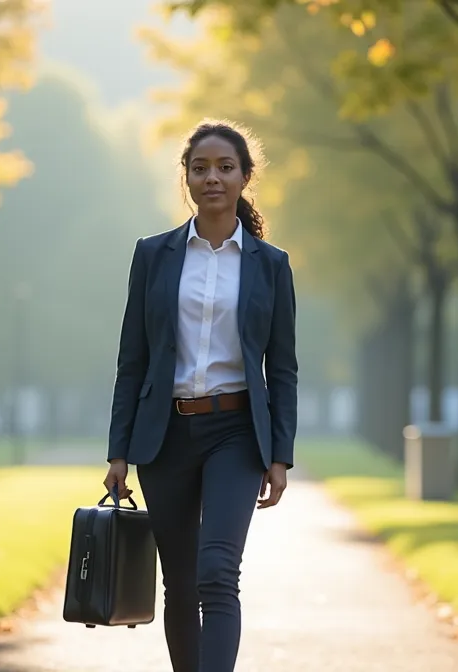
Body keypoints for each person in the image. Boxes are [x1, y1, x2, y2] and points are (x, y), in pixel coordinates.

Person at [103, 119, 299, 672]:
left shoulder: (272, 265)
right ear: (186, 178)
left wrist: (279, 456)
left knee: (217, 571)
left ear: (244, 177)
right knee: (181, 582)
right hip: (164, 436)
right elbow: (132, 360)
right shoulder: (153, 256)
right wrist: (118, 451)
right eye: (200, 168)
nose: (212, 177)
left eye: (224, 167)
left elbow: (282, 368)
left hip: (235, 433)